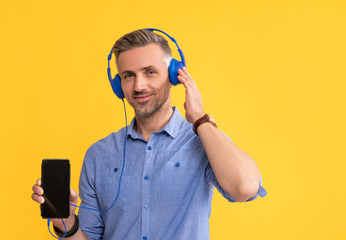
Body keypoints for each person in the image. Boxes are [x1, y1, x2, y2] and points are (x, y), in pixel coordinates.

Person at [32, 29, 267, 240]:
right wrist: (66, 222)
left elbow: (246, 188)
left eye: (150, 72)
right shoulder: (99, 154)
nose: (138, 86)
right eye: (128, 75)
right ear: (118, 85)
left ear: (175, 75)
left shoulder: (203, 140)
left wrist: (199, 118)